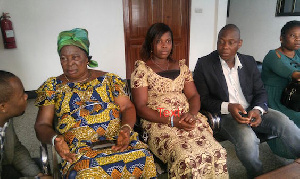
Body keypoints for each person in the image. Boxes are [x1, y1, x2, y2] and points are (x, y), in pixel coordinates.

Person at [34, 28, 157, 178]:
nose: (69, 64)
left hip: (118, 141)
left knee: (145, 158)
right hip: (79, 150)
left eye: (75, 57)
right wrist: (56, 139)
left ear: (87, 58)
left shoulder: (109, 80)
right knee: (86, 173)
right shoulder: (52, 87)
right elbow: (42, 125)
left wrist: (125, 129)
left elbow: (127, 107)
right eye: (63, 58)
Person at [193, 24, 300, 178]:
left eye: (231, 42)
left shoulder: (248, 62)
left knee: (284, 122)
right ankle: (256, 174)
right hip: (226, 115)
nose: (224, 47)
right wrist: (228, 107)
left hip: (252, 109)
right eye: (221, 42)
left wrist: (257, 109)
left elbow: (260, 91)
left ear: (239, 43)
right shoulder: (204, 64)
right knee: (248, 141)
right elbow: (202, 99)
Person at [131, 23, 228, 178]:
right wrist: (172, 121)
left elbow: (194, 96)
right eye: (159, 41)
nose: (164, 46)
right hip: (159, 122)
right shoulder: (142, 70)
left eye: (168, 41)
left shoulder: (182, 67)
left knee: (217, 151)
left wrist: (192, 114)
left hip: (187, 118)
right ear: (150, 44)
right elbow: (141, 107)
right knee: (186, 158)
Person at [261, 20, 300, 158]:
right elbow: (296, 75)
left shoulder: (297, 53)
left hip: (293, 95)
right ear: (281, 38)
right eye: (293, 36)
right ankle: (287, 150)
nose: (297, 39)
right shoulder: (273, 56)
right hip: (275, 98)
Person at [0, 70, 48, 179]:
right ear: (3, 107)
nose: (26, 97)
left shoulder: (5, 120)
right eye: (21, 95)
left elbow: (15, 150)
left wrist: (38, 175)